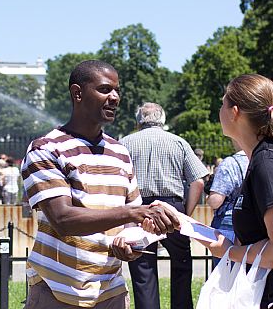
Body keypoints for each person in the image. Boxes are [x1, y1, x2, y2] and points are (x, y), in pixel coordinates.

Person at [21, 60, 180, 309]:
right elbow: (62, 219)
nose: (115, 97)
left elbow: (130, 224)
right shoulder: (46, 148)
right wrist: (135, 213)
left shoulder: (119, 152)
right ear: (78, 93)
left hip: (110, 292)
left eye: (117, 90)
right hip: (57, 291)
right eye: (105, 89)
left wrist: (130, 244)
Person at [202, 74, 273, 309]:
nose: (219, 109)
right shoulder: (266, 158)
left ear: (234, 112)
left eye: (222, 103)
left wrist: (231, 252)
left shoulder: (268, 162)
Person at [120, 102, 208, 309]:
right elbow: (198, 181)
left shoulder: (124, 143)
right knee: (181, 263)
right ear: (163, 120)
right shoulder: (178, 142)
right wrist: (185, 213)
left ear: (138, 121)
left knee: (142, 265)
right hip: (172, 208)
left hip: (137, 208)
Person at [206, 139, 249, 266]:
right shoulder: (262, 159)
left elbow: (215, 201)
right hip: (254, 221)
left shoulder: (230, 163)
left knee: (223, 274)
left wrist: (209, 198)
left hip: (229, 222)